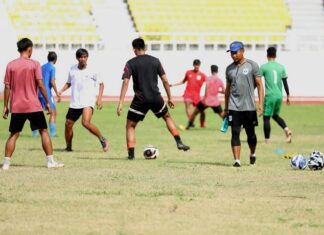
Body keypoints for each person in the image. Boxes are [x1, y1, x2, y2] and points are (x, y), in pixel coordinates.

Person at [117, 38, 190, 160]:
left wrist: (120, 103)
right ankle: (179, 141)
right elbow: (165, 80)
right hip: (156, 97)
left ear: (134, 49)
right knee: (167, 117)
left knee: (130, 126)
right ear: (145, 48)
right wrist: (170, 97)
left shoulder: (130, 63)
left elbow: (125, 82)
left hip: (140, 99)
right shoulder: (155, 61)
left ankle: (131, 155)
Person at [2, 38, 64, 170]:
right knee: (44, 131)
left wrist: (5, 106)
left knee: (14, 134)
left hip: (17, 106)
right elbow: (40, 84)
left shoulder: (10, 65)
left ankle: (6, 164)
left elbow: (7, 87)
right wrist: (47, 101)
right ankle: (50, 161)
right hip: (33, 105)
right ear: (29, 49)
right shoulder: (34, 64)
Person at [58, 48, 108, 152]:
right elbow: (69, 83)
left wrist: (99, 98)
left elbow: (101, 84)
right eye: (81, 57)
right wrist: (61, 91)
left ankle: (102, 139)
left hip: (88, 101)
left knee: (85, 122)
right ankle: (68, 147)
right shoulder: (72, 69)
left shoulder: (93, 69)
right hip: (75, 102)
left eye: (85, 57)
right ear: (77, 58)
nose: (83, 59)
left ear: (87, 58)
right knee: (68, 124)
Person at [224, 41, 264, 167]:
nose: (233, 55)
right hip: (233, 106)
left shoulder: (252, 65)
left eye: (235, 52)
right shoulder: (229, 69)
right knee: (235, 133)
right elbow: (227, 89)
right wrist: (226, 108)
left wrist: (261, 104)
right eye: (231, 53)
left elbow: (259, 85)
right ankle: (237, 160)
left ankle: (252, 153)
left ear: (242, 51)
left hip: (249, 107)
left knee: (251, 134)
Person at [260, 47, 292, 143]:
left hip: (270, 95)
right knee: (275, 115)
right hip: (279, 95)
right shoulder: (281, 67)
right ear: (276, 55)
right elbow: (285, 82)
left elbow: (257, 81)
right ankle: (286, 129)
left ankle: (267, 140)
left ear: (267, 55)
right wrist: (288, 96)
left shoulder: (264, 67)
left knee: (266, 117)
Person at [186, 65, 225, 129]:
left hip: (206, 100)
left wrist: (205, 99)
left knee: (195, 113)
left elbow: (207, 89)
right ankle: (233, 125)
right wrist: (217, 91)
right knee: (222, 115)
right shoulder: (219, 80)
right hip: (215, 102)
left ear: (211, 70)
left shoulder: (208, 78)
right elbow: (224, 91)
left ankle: (189, 125)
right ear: (217, 71)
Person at [170, 59, 207, 128]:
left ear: (199, 66)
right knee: (187, 105)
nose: (196, 66)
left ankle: (202, 124)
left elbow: (209, 83)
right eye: (195, 65)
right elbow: (183, 81)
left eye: (198, 65)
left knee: (202, 111)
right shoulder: (188, 72)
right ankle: (191, 122)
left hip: (197, 96)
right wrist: (173, 85)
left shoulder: (202, 75)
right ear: (193, 65)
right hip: (188, 93)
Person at [32, 51, 60, 137]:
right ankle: (52, 133)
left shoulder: (41, 67)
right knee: (53, 112)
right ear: (55, 60)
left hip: (38, 92)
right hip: (46, 92)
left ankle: (35, 133)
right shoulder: (52, 67)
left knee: (37, 112)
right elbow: (52, 81)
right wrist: (57, 93)